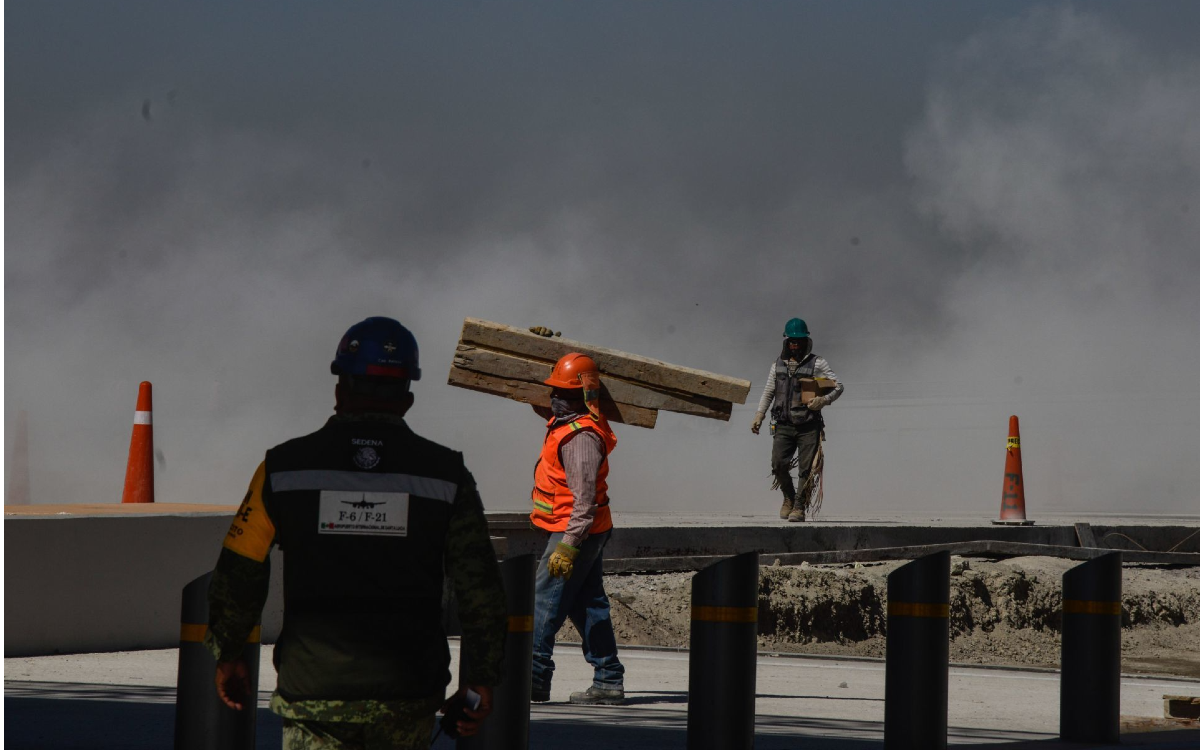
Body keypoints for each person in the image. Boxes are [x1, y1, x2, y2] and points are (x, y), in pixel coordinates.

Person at [204, 316, 507, 749]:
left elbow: (240, 570)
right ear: (408, 397)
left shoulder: (283, 468)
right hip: (407, 693)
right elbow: (481, 592)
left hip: (314, 691)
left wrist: (229, 652)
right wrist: (480, 681)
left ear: (338, 390)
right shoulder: (446, 476)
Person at [528, 352, 626, 705]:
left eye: (563, 393)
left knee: (544, 601)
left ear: (581, 397)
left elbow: (583, 501)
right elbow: (541, 404)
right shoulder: (574, 419)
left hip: (575, 530)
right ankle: (608, 679)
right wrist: (538, 349)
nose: (554, 399)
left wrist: (569, 546)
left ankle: (533, 678)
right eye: (553, 391)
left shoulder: (579, 438)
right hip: (588, 528)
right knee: (587, 603)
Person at [751, 317, 844, 522]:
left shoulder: (817, 363)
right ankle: (789, 497)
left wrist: (823, 400)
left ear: (805, 341)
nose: (795, 344)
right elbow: (769, 391)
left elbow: (838, 386)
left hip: (808, 426)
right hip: (783, 424)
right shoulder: (777, 365)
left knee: (806, 468)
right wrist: (759, 414)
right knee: (778, 464)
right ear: (786, 341)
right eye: (792, 340)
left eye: (799, 341)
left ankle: (799, 507)